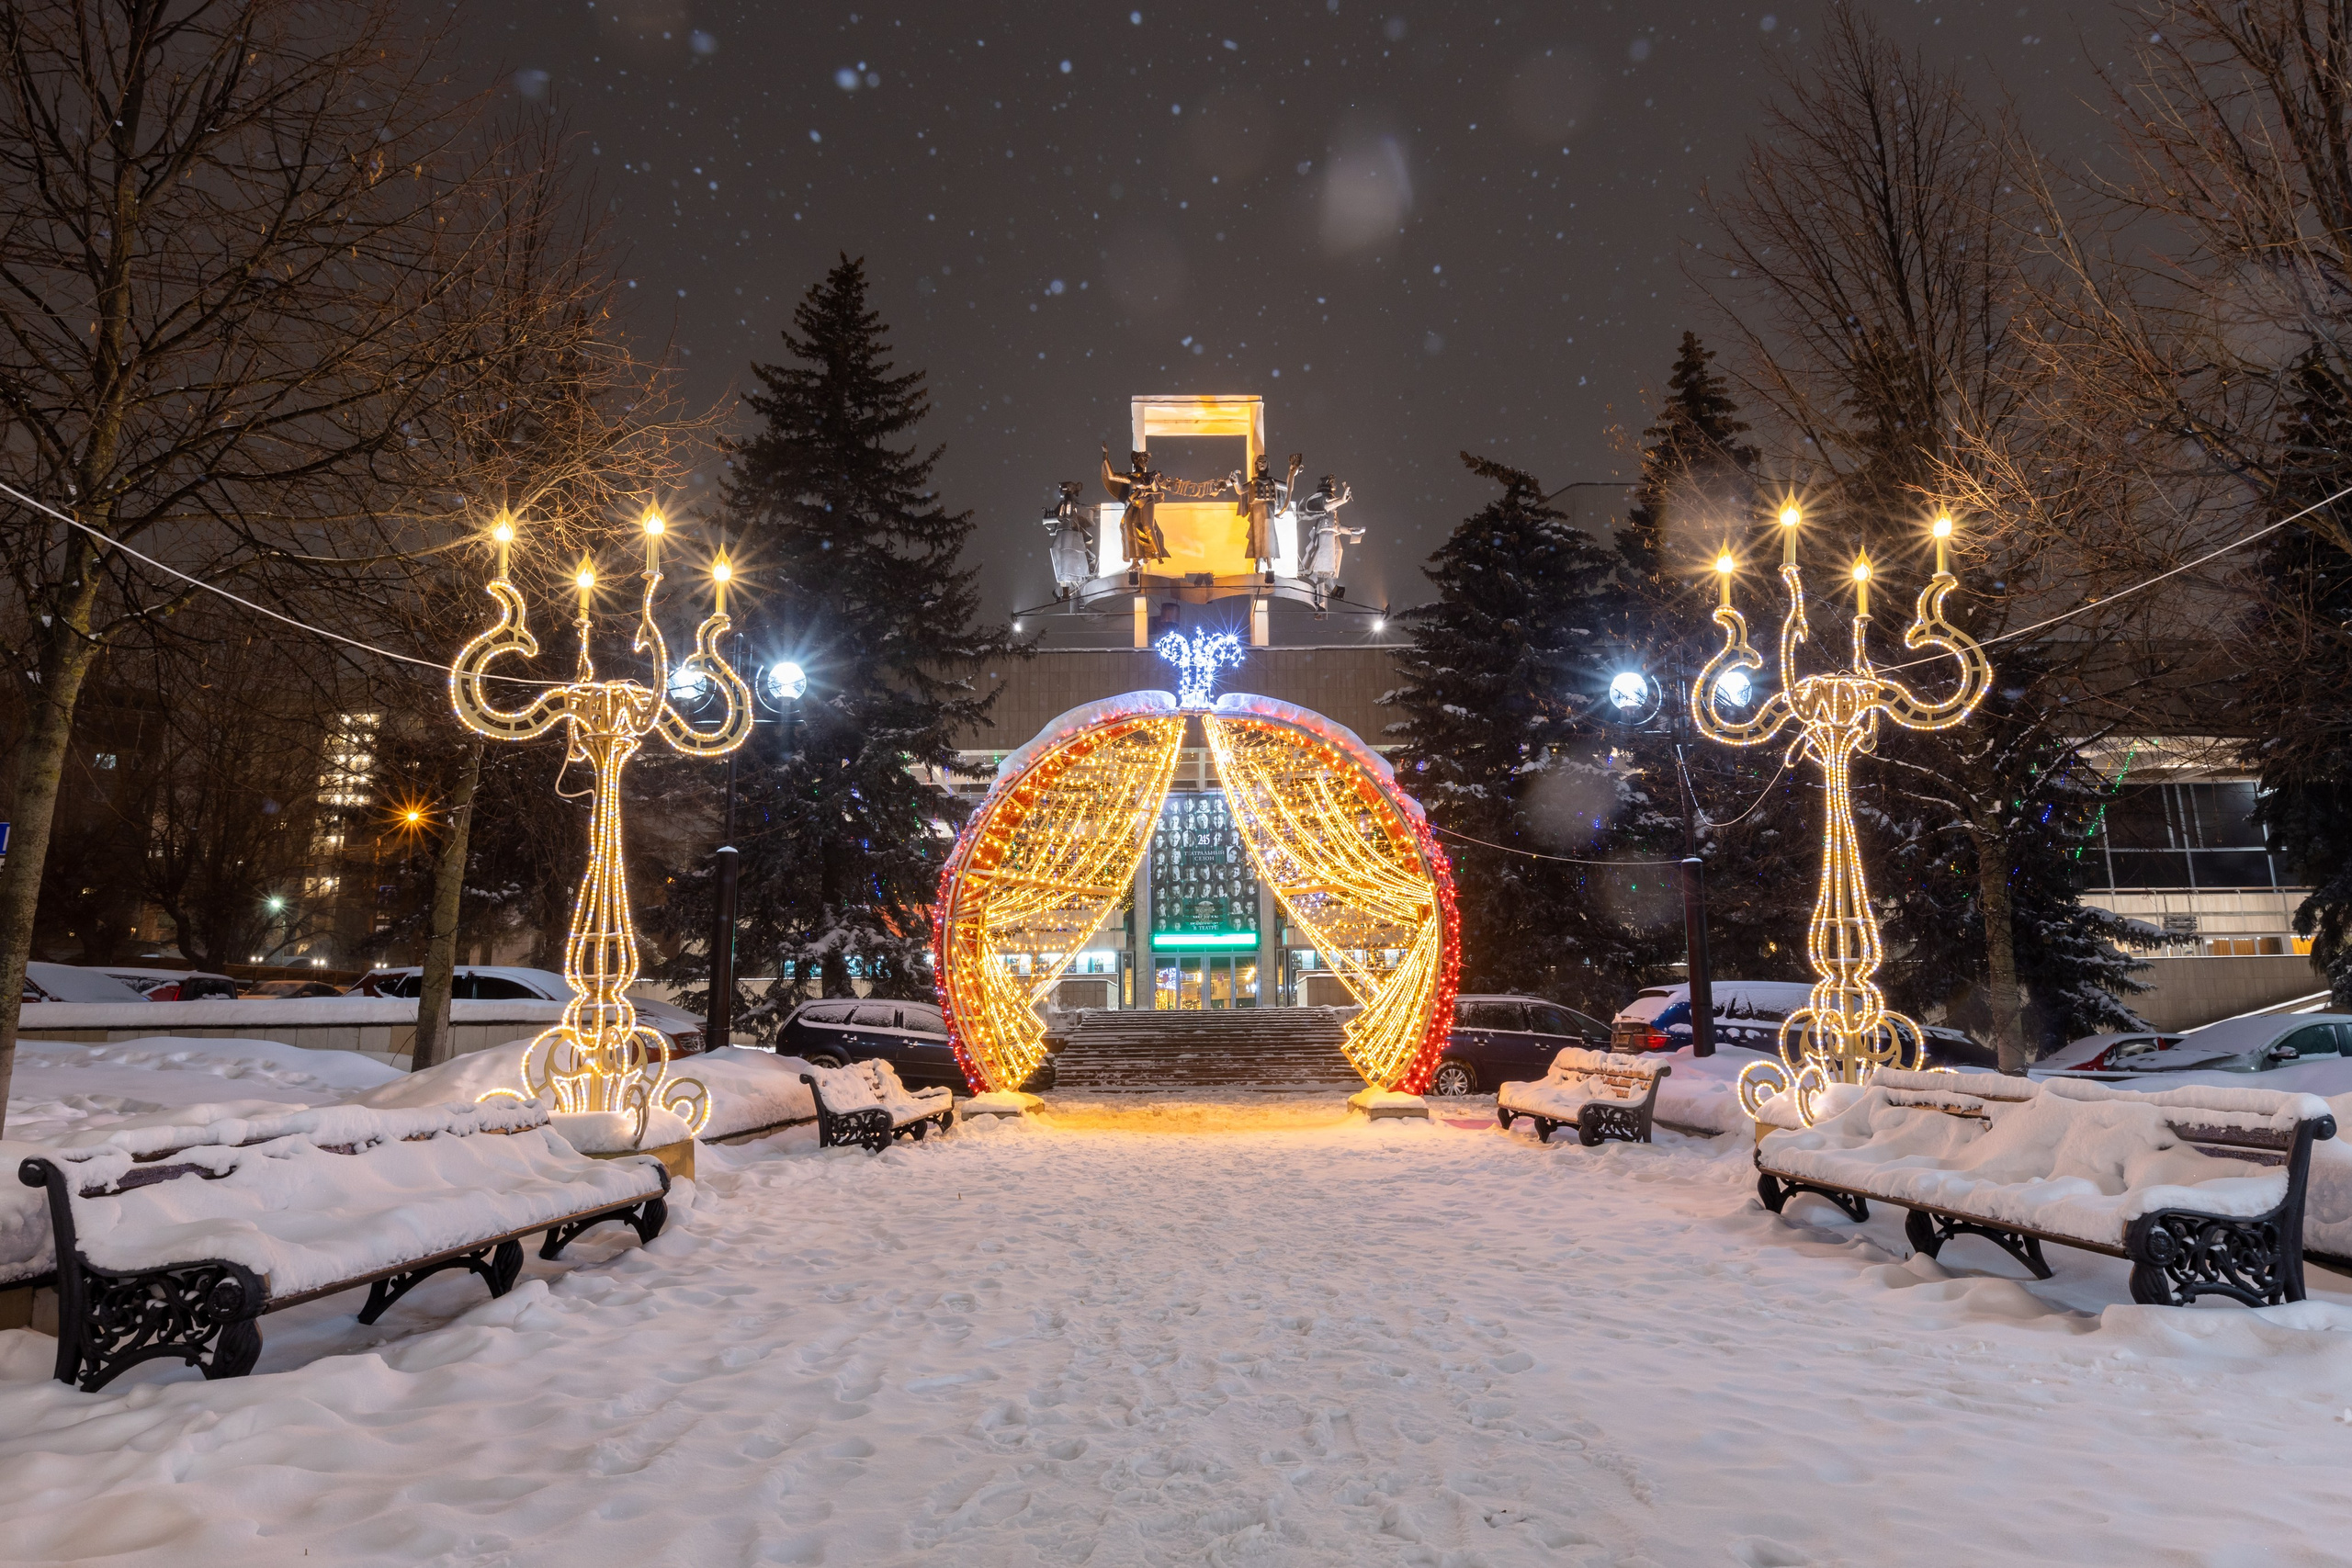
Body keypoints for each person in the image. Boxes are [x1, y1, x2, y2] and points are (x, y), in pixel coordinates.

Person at [1299, 475, 1360, 610]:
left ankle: (1329, 590)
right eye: (1332, 482)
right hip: (1325, 534)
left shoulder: (1332, 504)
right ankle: (1320, 599)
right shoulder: (1323, 499)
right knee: (1323, 569)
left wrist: (1351, 531)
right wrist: (1342, 500)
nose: (1334, 485)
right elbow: (1326, 505)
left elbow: (1337, 525)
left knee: (1335, 559)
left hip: (1332, 534)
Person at [1101, 446, 1169, 565]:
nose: (1145, 462)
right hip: (1134, 504)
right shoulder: (1130, 477)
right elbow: (1112, 476)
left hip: (1147, 502)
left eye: (1145, 461)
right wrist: (1106, 457)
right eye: (1143, 460)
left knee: (1148, 527)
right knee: (1129, 528)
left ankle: (1158, 555)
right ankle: (1135, 561)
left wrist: (1145, 490)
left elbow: (1160, 495)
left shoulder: (1150, 477)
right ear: (1136, 461)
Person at [1043, 480, 1091, 595]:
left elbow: (1063, 516)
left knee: (1065, 558)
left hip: (1069, 533)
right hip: (1067, 532)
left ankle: (1068, 587)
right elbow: (1061, 516)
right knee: (1064, 559)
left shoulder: (1069, 503)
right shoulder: (1067, 503)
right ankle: (1066, 588)